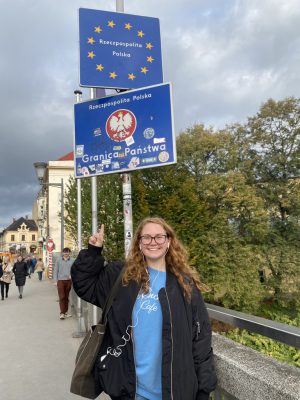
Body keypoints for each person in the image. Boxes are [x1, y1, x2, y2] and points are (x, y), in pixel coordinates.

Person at [71, 217, 217, 400]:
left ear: (168, 241)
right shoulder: (121, 276)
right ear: (139, 243)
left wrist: (204, 388)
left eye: (159, 237)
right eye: (146, 237)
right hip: (129, 390)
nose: (153, 242)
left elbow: (201, 338)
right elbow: (84, 285)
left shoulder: (184, 285)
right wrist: (93, 252)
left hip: (175, 391)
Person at [54, 247, 74, 320]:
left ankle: (65, 312)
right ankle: (62, 313)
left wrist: (72, 275)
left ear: (69, 253)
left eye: (67, 252)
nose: (66, 253)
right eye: (65, 252)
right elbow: (56, 270)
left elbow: (75, 270)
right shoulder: (59, 260)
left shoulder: (72, 260)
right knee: (62, 296)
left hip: (69, 281)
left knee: (66, 296)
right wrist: (55, 281)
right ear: (62, 253)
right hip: (60, 281)